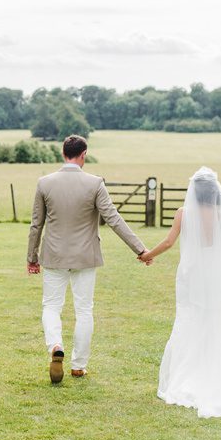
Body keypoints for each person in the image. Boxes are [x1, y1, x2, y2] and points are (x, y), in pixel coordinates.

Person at [25, 134, 153, 384]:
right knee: (84, 310)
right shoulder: (95, 183)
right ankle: (78, 366)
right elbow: (114, 219)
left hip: (54, 255)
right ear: (83, 154)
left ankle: (55, 345)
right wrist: (139, 249)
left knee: (51, 306)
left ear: (63, 153)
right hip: (86, 256)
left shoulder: (44, 183)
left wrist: (32, 257)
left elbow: (36, 224)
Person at [143, 167, 221, 419]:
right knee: (214, 321)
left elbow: (169, 242)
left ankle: (187, 376)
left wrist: (148, 255)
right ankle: (214, 375)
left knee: (190, 321)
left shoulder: (183, 214)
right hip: (215, 277)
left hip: (191, 277)